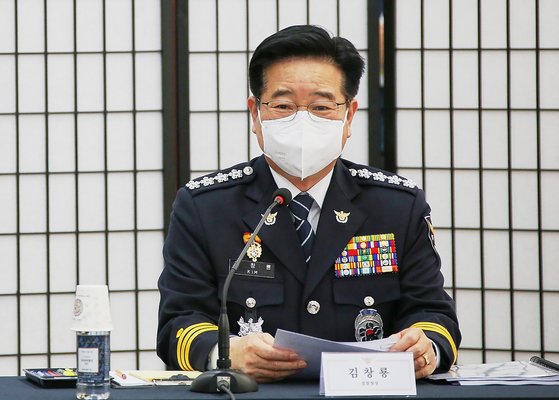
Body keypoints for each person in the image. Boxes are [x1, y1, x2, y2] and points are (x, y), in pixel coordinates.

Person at [157, 25, 460, 382]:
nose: (302, 120)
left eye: (321, 106)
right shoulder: (205, 207)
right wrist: (225, 353)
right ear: (255, 114)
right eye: (283, 106)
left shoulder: (397, 206)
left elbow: (433, 314)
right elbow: (178, 322)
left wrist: (426, 347)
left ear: (349, 116)